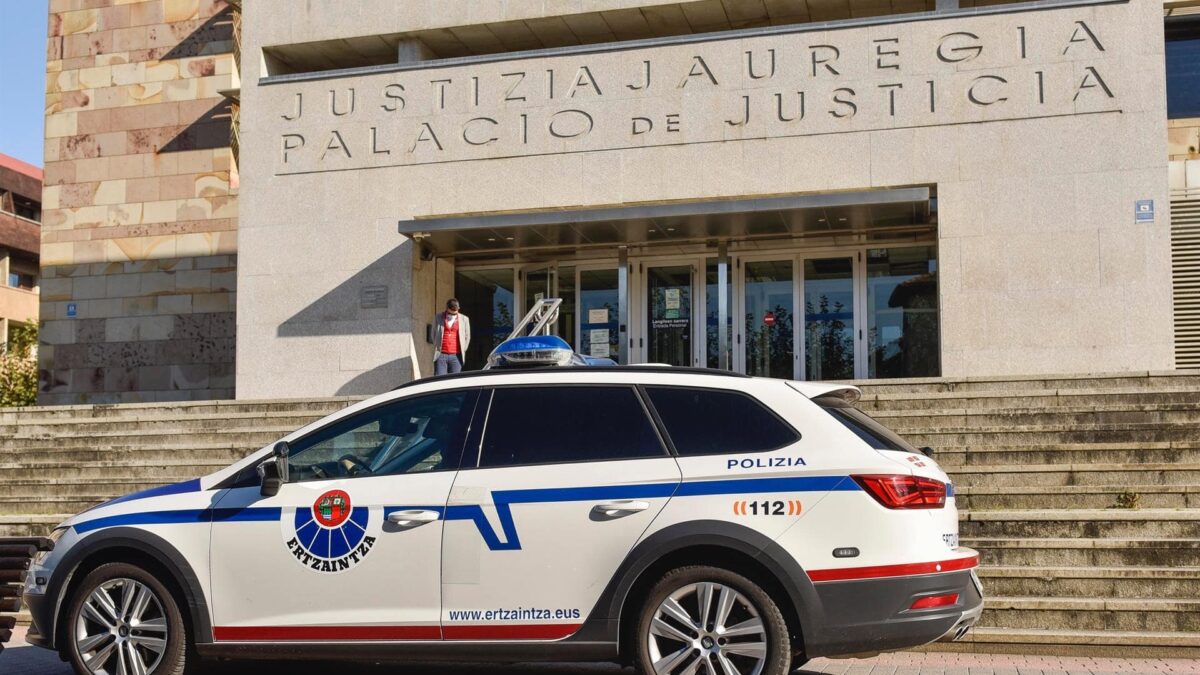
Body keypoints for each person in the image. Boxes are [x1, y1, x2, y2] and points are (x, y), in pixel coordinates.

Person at [432, 298, 471, 376]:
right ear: (447, 309)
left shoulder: (464, 319)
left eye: (455, 313)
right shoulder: (438, 317)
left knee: (454, 381)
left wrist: (463, 349)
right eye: (451, 313)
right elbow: (433, 333)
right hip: (441, 355)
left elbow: (467, 336)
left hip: (456, 356)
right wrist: (437, 346)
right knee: (440, 380)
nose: (453, 315)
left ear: (458, 308)